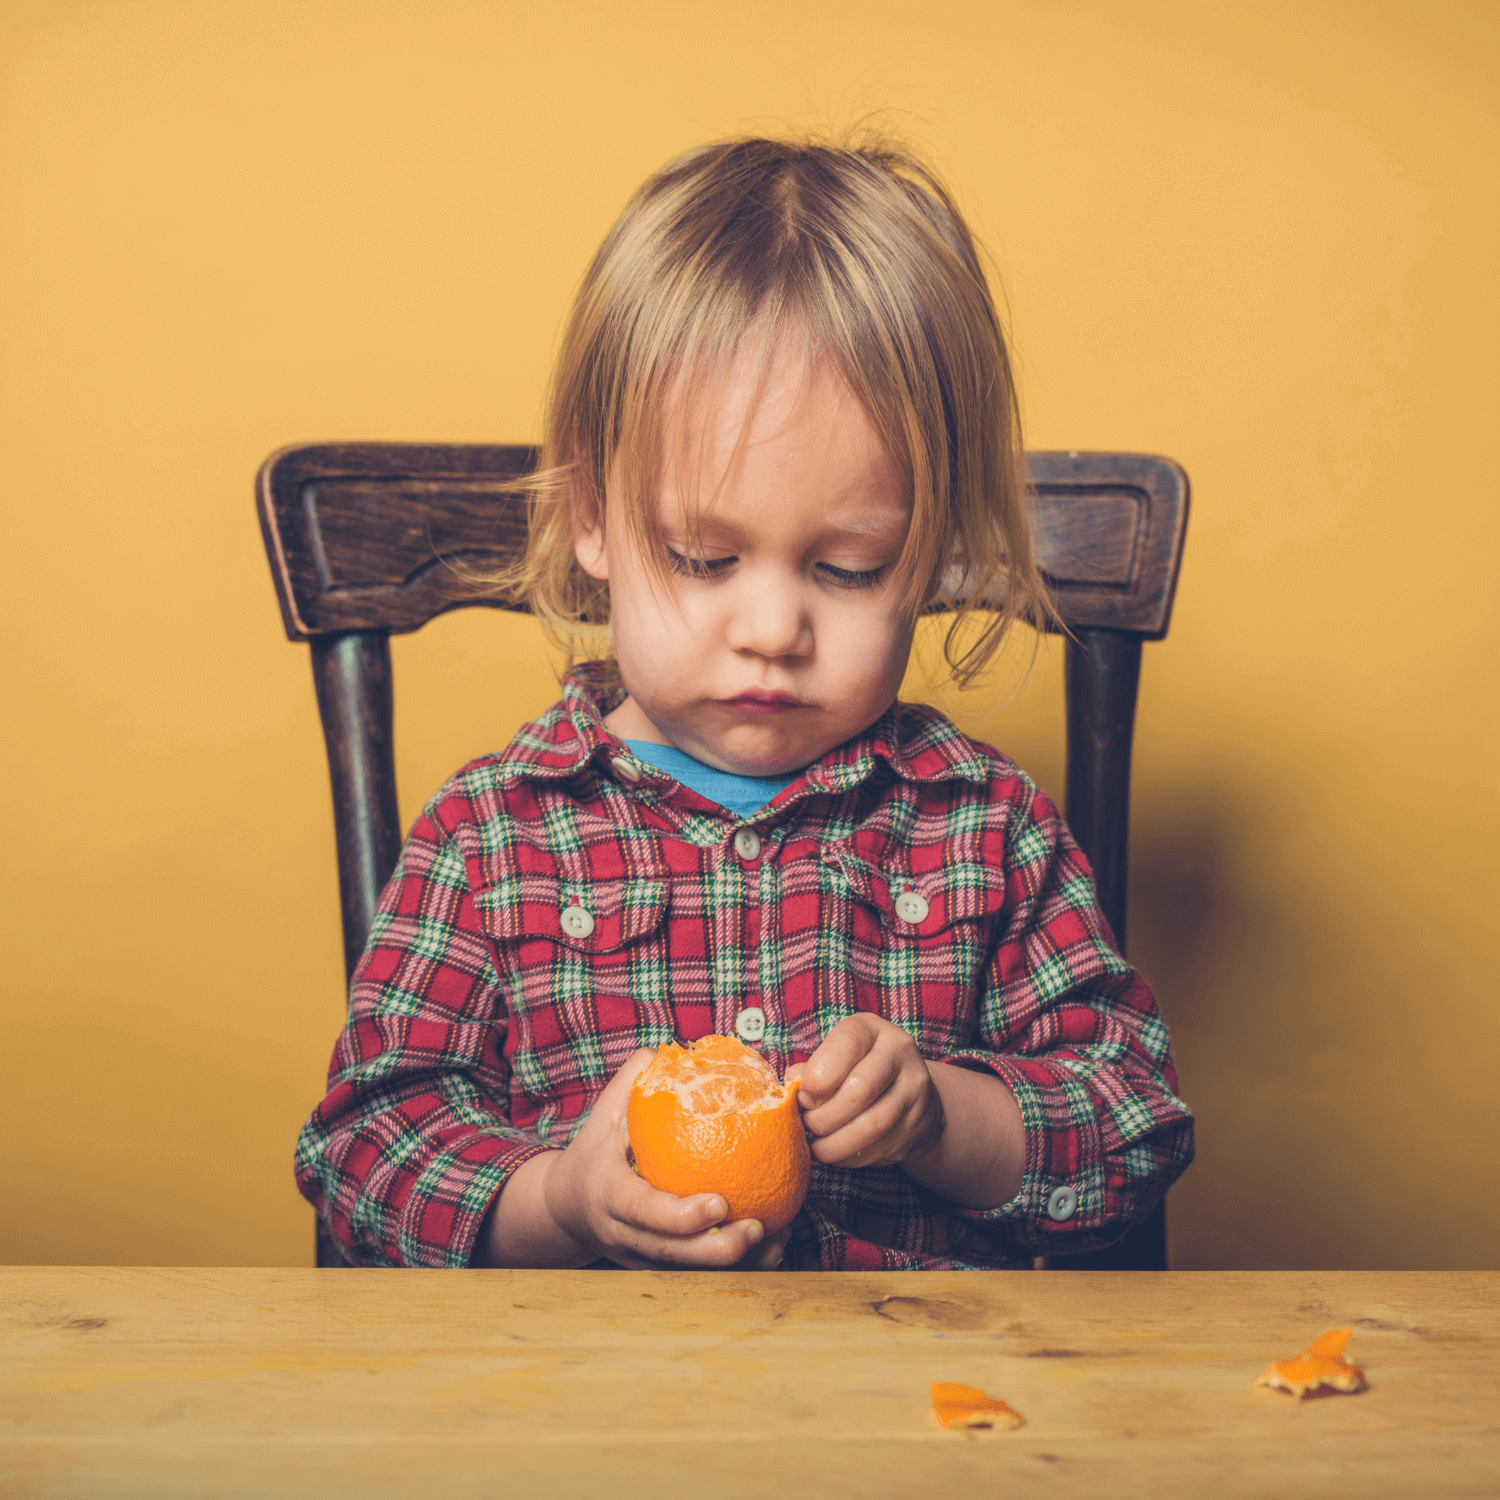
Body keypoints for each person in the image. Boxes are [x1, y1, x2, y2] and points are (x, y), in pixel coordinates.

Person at [295, 133, 1194, 1271]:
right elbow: (364, 1151)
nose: (771, 629)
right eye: (704, 558)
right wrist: (558, 1201)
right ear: (594, 517)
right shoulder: (492, 835)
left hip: (912, 1408)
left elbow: (1131, 1124)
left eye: (851, 566)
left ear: (932, 550)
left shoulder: (984, 827)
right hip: (578, 1409)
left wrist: (943, 1119)